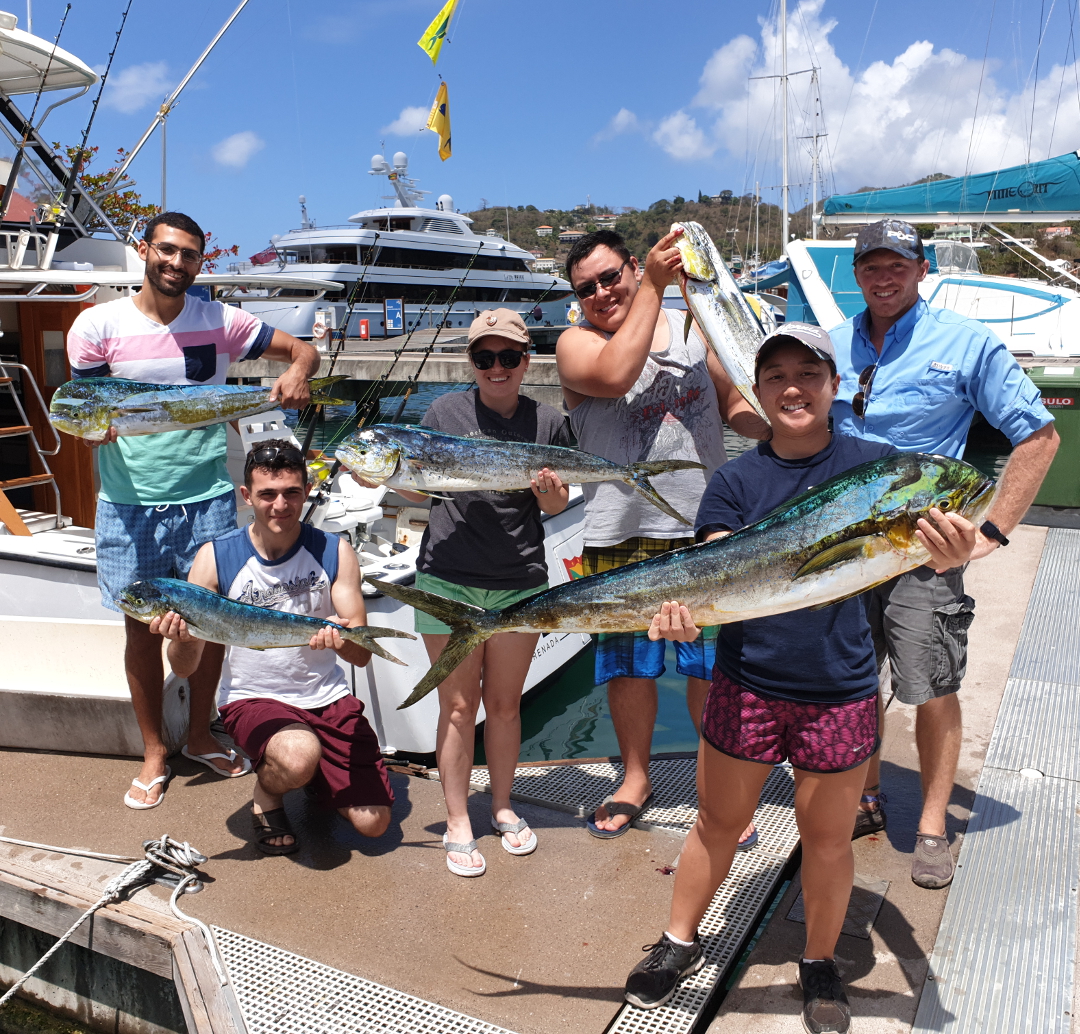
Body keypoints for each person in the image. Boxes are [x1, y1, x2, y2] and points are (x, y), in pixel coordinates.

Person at [623, 325, 976, 1031]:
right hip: (747, 680)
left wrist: (954, 552)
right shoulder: (735, 479)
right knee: (718, 823)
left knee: (827, 839)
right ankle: (678, 941)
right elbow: (717, 568)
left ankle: (818, 961)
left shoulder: (881, 467)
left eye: (808, 373)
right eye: (776, 374)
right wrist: (682, 610)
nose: (792, 387)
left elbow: (919, 556)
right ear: (759, 390)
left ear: (833, 384)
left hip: (838, 686)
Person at [65, 211, 320, 809]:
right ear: (144, 251)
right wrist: (89, 432)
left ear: (199, 263)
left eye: (190, 255)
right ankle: (155, 751)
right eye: (168, 251)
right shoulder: (95, 326)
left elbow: (301, 350)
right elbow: (81, 406)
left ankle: (201, 733)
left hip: (206, 500)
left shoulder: (220, 320)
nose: (177, 264)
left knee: (210, 626)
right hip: (130, 505)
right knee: (140, 632)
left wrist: (299, 373)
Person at [831, 219, 1059, 888]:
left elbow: (1038, 438)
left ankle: (932, 825)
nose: (884, 274)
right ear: (856, 271)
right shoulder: (832, 344)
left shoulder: (966, 343)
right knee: (852, 680)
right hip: (843, 550)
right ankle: (867, 797)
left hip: (923, 550)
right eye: (871, 263)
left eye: (897, 262)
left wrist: (989, 536)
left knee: (932, 685)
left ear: (922, 267)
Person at [555, 228, 769, 839]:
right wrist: (651, 283)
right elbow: (618, 376)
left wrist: (787, 424)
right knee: (629, 669)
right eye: (585, 287)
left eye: (609, 276)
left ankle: (719, 787)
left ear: (628, 265)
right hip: (618, 531)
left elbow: (734, 407)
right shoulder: (574, 344)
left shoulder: (695, 327)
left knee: (711, 668)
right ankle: (635, 778)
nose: (600, 292)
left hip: (707, 524)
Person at [368, 309, 568, 876]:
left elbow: (555, 506)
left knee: (505, 705)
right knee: (457, 707)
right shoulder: (443, 412)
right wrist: (382, 476)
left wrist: (552, 492)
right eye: (485, 358)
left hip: (519, 581)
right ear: (472, 363)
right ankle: (458, 818)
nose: (497, 368)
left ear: (526, 361)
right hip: (448, 577)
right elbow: (415, 490)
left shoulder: (548, 422)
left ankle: (502, 806)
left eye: (508, 357)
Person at [152, 441, 393, 853]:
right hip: (253, 698)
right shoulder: (214, 557)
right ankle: (268, 796)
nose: (280, 505)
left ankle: (312, 775)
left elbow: (360, 653)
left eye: (291, 493)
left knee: (373, 824)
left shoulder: (336, 552)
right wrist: (183, 638)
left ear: (306, 491)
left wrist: (339, 641)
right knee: (298, 753)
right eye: (267, 494)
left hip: (326, 696)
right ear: (246, 496)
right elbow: (185, 667)